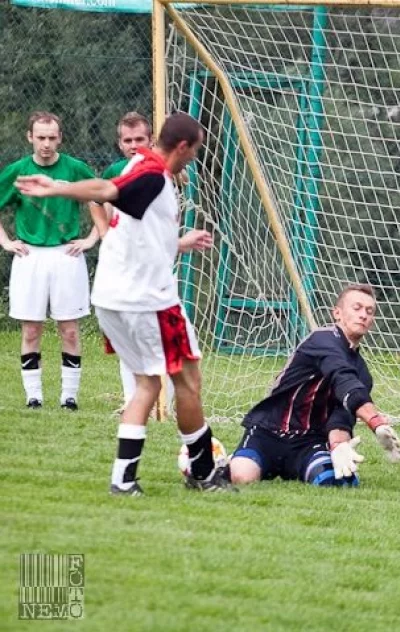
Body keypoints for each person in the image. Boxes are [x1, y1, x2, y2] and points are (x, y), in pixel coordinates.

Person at [15, 112, 234, 495]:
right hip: (147, 301)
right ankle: (202, 472)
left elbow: (134, 224)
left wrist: (179, 243)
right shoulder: (152, 174)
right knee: (188, 379)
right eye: (196, 150)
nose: (196, 157)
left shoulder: (141, 166)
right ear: (182, 147)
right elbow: (106, 190)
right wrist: (56, 188)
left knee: (148, 385)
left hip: (113, 297)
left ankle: (123, 480)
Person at [228, 283, 400, 488]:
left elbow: (341, 416)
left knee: (339, 482)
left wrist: (338, 446)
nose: (363, 315)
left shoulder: (363, 373)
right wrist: (376, 422)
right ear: (337, 313)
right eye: (356, 308)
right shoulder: (321, 339)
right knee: (241, 477)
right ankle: (216, 459)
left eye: (369, 311)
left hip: (309, 442)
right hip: (268, 432)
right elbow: (343, 378)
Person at [95, 111, 210, 414]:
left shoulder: (163, 172)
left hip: (151, 273)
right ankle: (141, 403)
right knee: (167, 358)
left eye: (139, 139)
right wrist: (105, 233)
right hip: (134, 283)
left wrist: (180, 243)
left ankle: (161, 406)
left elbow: (152, 229)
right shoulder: (141, 171)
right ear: (120, 143)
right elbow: (99, 196)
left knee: (161, 362)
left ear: (152, 140)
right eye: (127, 140)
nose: (133, 145)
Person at [0, 111, 99, 410]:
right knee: (31, 329)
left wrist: (91, 239)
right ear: (30, 137)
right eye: (40, 137)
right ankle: (34, 397)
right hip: (29, 255)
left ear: (60, 137)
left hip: (66, 255)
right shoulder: (18, 171)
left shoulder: (75, 169)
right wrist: (5, 241)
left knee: (69, 328)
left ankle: (69, 397)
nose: (46, 143)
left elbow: (102, 199)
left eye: (51, 137)